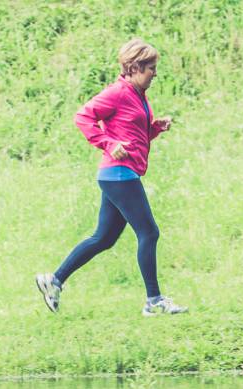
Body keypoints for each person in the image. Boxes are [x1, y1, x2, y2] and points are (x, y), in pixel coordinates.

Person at [36, 38, 188, 317]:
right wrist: (106, 142)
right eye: (151, 68)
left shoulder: (138, 94)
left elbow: (131, 133)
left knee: (104, 238)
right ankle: (154, 301)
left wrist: (154, 128)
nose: (155, 73)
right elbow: (83, 117)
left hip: (118, 175)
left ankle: (54, 281)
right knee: (149, 232)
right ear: (134, 67)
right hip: (119, 174)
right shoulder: (117, 93)